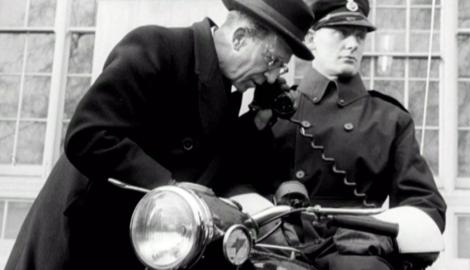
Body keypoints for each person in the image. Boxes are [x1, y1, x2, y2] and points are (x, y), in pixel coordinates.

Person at [5, 0, 315, 269]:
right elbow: (88, 134)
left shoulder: (225, 89)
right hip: (80, 238)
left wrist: (258, 122)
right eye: (273, 61)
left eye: (281, 69)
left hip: (138, 245)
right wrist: (169, 186)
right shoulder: (156, 47)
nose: (273, 75)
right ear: (239, 38)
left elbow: (212, 166)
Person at [225, 0, 447, 269]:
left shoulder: (389, 120)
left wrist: (379, 233)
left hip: (358, 252)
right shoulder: (270, 112)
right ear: (310, 38)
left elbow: (425, 205)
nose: (352, 44)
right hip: (277, 247)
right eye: (341, 33)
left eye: (359, 36)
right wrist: (265, 218)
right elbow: (229, 180)